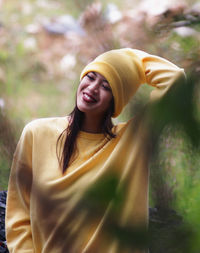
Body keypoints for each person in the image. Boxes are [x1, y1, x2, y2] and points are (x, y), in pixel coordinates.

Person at [6, 48, 185, 253]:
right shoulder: (36, 133)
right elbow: (18, 214)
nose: (92, 88)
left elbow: (176, 80)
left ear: (118, 98)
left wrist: (131, 61)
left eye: (106, 86)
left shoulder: (133, 140)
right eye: (90, 77)